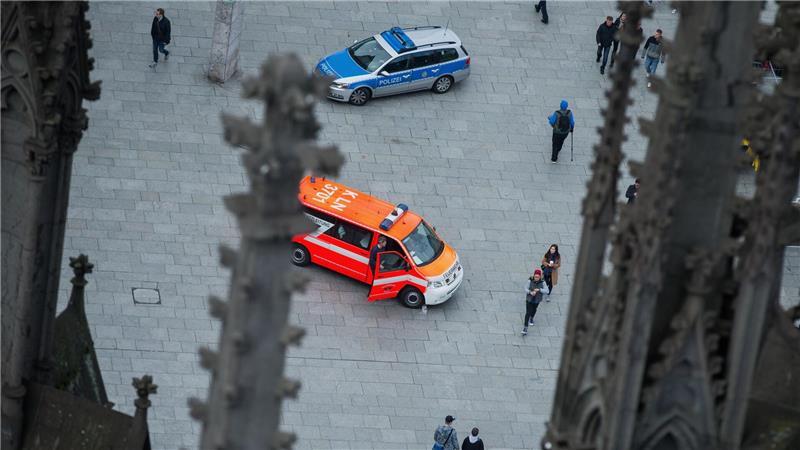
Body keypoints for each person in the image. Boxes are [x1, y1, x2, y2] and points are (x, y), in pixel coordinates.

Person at [523, 269, 545, 335]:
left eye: (538, 277)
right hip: (529, 299)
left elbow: (547, 290)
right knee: (527, 313)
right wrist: (530, 292)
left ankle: (532, 317)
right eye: (535, 277)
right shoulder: (530, 281)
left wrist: (539, 290)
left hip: (537, 299)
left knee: (534, 309)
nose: (536, 278)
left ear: (540, 277)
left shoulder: (543, 282)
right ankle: (525, 328)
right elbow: (525, 288)